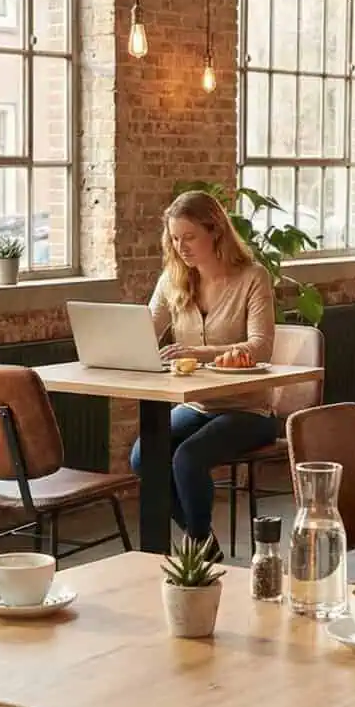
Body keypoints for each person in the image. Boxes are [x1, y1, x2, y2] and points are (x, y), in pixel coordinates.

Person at [127, 190, 279, 552]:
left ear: (215, 231)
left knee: (187, 457)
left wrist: (200, 352)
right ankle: (204, 541)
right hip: (197, 404)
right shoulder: (173, 279)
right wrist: (120, 343)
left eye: (190, 237)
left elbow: (261, 347)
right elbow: (145, 330)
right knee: (142, 457)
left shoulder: (252, 278)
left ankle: (195, 546)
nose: (182, 247)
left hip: (248, 409)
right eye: (175, 238)